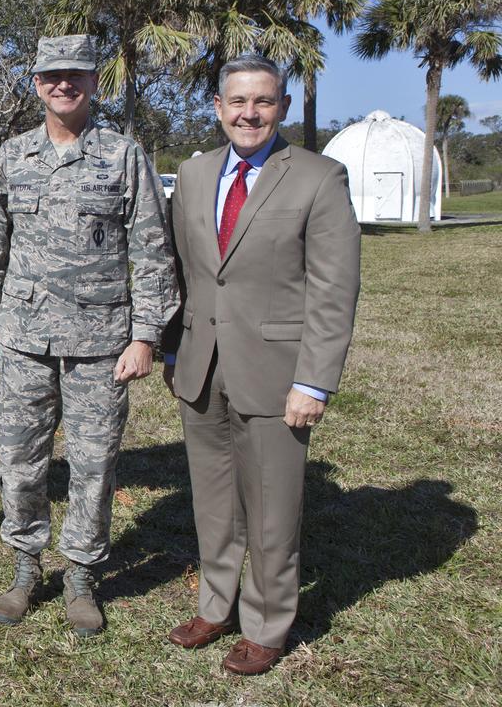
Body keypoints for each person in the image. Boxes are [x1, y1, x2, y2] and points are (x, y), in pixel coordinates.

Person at [0, 34, 178, 634]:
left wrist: (144, 337)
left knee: (93, 463)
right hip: (24, 338)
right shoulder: (13, 155)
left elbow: (152, 251)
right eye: (52, 75)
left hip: (99, 342)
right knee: (20, 459)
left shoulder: (121, 154)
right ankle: (26, 566)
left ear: (94, 84)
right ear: (36, 84)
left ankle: (81, 574)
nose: (64, 84)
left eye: (76, 75)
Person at [161, 54, 360, 674]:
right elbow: (181, 272)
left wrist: (313, 381)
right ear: (218, 108)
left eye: (264, 102)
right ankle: (215, 605)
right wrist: (172, 350)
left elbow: (334, 291)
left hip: (278, 375)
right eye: (238, 102)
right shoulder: (193, 177)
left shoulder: (318, 177)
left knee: (272, 507)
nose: (250, 113)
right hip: (201, 368)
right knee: (213, 501)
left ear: (283, 108)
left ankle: (268, 624)